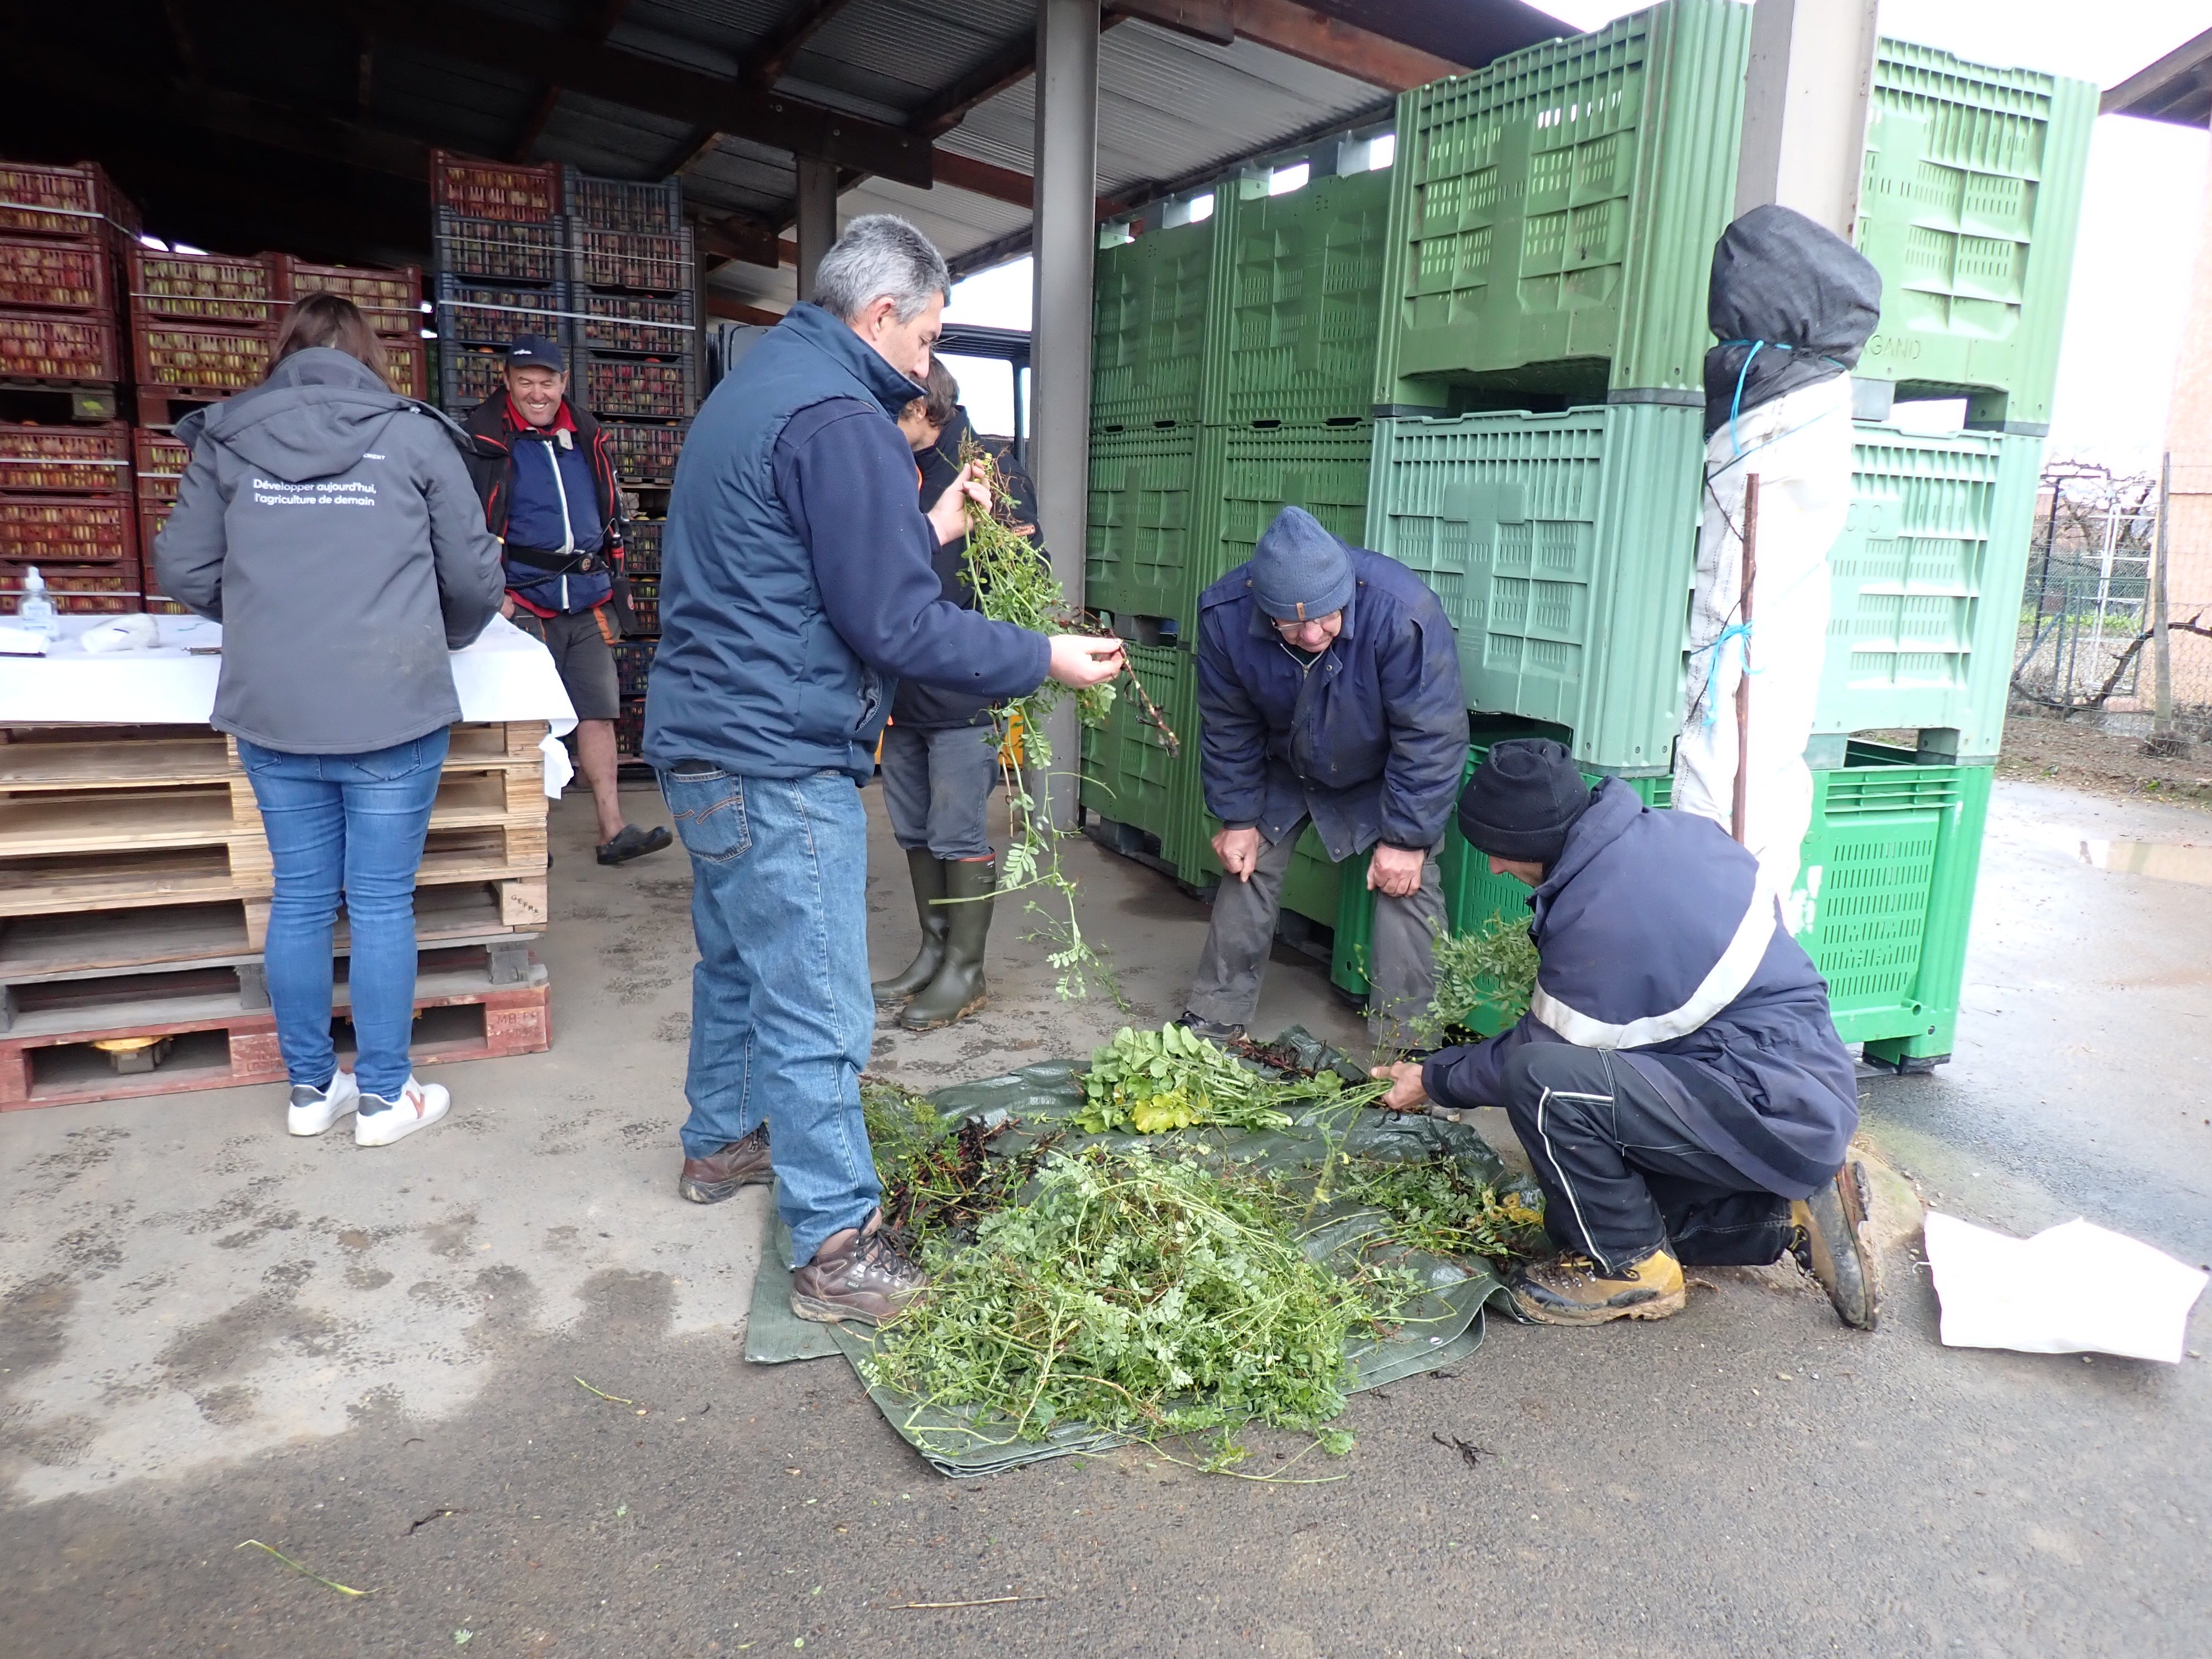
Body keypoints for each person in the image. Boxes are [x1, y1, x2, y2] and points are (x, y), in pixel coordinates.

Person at [642, 215, 1124, 1324]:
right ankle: (835, 1249)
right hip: (775, 753)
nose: (926, 361)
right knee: (817, 1007)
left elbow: (818, 565)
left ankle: (719, 1144)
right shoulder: (842, 417)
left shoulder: (760, 388)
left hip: (704, 741)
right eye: (926, 337)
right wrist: (1039, 655)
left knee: (735, 965)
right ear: (880, 315)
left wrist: (937, 524)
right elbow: (897, 625)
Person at [1369, 738, 1881, 1329]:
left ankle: (1630, 1272)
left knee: (1542, 1084)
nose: (1494, 868)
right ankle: (1788, 1213)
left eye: (1499, 852)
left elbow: (1542, 1050)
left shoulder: (1599, 912)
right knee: (1580, 1215)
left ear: (1533, 841)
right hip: (1791, 1091)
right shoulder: (1666, 837)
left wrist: (1433, 1078)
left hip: (1767, 1103)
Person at [156, 293, 504, 1146]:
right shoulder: (413, 434)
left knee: (303, 899)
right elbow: (472, 576)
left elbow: (184, 564)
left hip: (275, 711)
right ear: (366, 355)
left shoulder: (229, 437)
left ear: (286, 353)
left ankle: (312, 1092)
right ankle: (386, 1096)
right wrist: (436, 636)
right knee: (382, 902)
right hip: (391, 703)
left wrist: (265, 622)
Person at [1181, 505, 1467, 1051]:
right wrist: (1237, 817)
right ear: (1262, 607)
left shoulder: (1402, 612)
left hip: (1383, 769)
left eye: (1326, 617)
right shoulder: (1224, 615)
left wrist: (1405, 840)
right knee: (1248, 861)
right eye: (1292, 623)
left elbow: (1431, 736)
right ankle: (1214, 1019)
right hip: (1287, 762)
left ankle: (1414, 1051)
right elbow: (1228, 725)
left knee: (1405, 878)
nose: (1312, 634)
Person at [871, 359, 1050, 1031]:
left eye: (895, 411)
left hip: (962, 690)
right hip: (904, 685)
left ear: (929, 410)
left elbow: (1027, 576)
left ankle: (966, 974)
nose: (884, 424)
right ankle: (934, 952)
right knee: (914, 826)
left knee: (956, 830)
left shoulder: (989, 472)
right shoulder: (895, 469)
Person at [461, 334, 670, 867]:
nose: (537, 393)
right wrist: (496, 599)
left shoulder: (586, 434)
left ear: (563, 383)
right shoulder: (483, 439)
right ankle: (531, 839)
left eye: (547, 382)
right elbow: (464, 525)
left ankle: (613, 829)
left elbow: (609, 511)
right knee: (528, 724)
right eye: (526, 382)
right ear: (506, 382)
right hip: (522, 602)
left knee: (598, 714)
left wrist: (613, 579)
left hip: (586, 596)